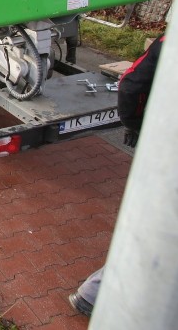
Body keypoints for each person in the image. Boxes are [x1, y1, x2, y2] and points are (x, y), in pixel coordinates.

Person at [69, 34, 165, 316]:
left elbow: (132, 84)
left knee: (157, 227)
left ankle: (97, 293)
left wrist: (135, 123)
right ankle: (98, 293)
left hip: (175, 153)